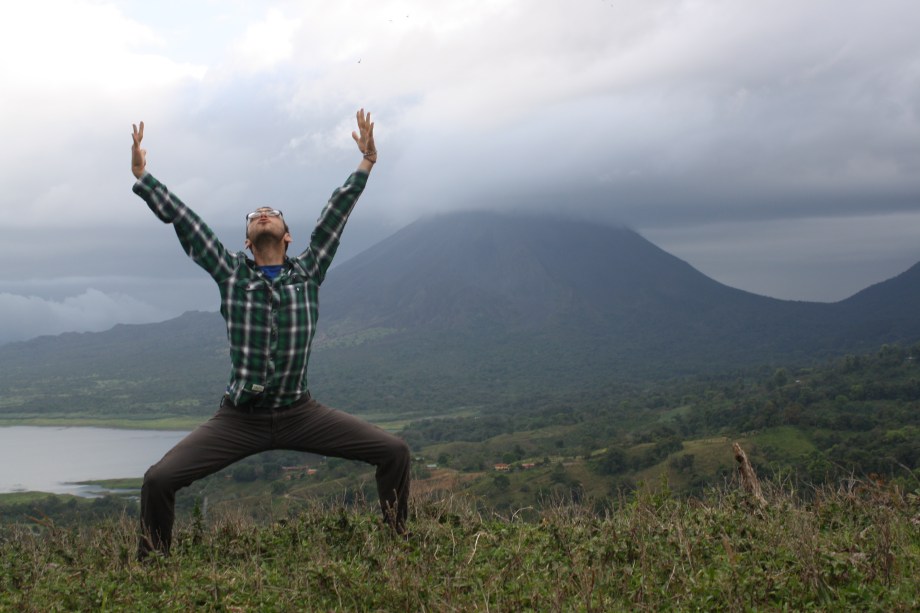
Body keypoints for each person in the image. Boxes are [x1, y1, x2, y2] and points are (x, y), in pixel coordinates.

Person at [130, 110, 410, 558]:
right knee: (158, 480)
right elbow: (188, 223)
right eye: (255, 216)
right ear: (246, 240)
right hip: (241, 417)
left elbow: (335, 216)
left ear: (287, 235)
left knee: (393, 451)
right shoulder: (230, 274)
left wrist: (367, 163)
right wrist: (144, 178)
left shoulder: (309, 270)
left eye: (271, 213)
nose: (263, 214)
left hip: (301, 412)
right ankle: (151, 572)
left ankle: (401, 546)